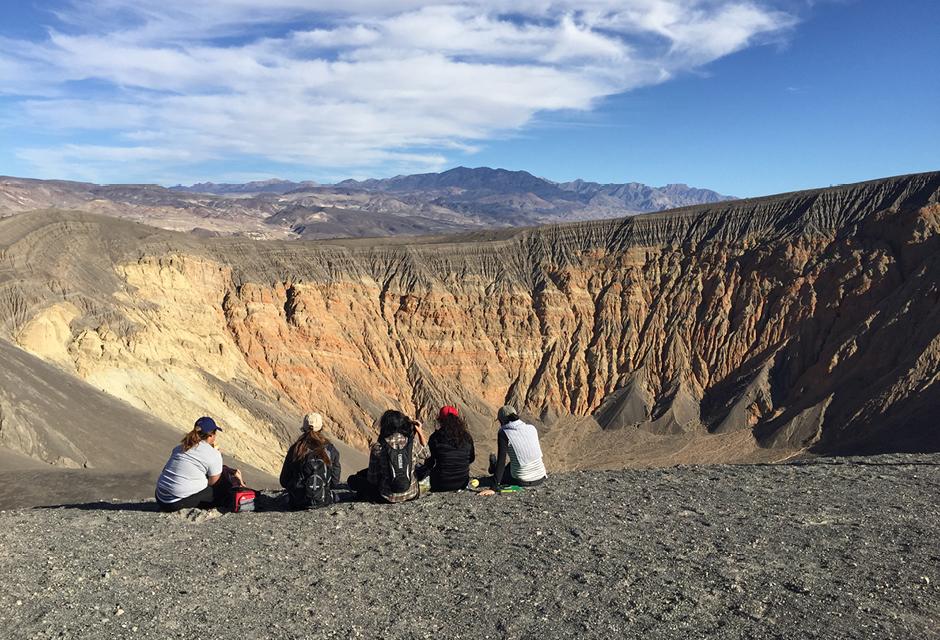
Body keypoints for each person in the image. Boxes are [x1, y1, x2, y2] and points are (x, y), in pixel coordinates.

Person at [155, 417, 242, 512]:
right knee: (224, 487)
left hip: (160, 497)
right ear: (211, 435)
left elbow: (165, 470)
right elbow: (213, 482)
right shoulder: (213, 454)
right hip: (174, 503)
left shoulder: (180, 448)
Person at [350, 409, 430, 503]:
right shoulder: (411, 443)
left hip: (386, 497)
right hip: (412, 494)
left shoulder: (378, 447)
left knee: (352, 480)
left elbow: (373, 479)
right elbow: (427, 454)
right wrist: (420, 432)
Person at [279, 412, 341, 509]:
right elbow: (334, 481)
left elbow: (284, 480)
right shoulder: (330, 449)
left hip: (298, 501)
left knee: (284, 499)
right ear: (321, 427)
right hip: (323, 499)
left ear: (304, 427)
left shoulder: (296, 449)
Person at [488, 405, 546, 488]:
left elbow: (502, 460)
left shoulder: (504, 433)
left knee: (504, 471)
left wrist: (494, 487)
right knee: (511, 464)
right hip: (540, 477)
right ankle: (494, 467)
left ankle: (494, 468)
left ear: (501, 420)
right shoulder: (532, 428)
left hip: (522, 480)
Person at [424, 405, 475, 492]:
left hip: (441, 483)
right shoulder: (467, 436)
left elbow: (431, 461)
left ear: (440, 420)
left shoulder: (435, 437)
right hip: (462, 482)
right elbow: (471, 459)